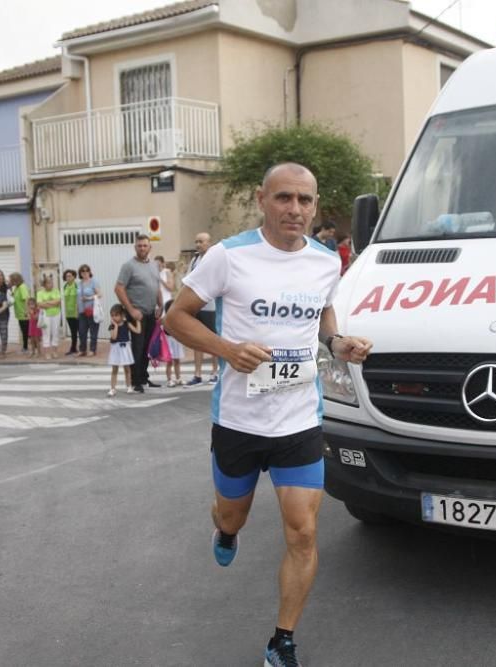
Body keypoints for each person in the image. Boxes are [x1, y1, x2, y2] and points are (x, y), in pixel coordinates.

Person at [166, 163, 373, 667]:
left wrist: (336, 341)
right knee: (233, 512)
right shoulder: (229, 256)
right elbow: (176, 317)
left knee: (302, 531)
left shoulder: (327, 262)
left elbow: (323, 313)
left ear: (316, 205)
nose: (294, 210)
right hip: (238, 422)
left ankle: (282, 640)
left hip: (299, 421)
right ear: (262, 199)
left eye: (305, 200)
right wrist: (227, 349)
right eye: (284, 198)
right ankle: (227, 528)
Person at [114, 235, 162, 393]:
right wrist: (131, 310)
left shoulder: (154, 265)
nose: (142, 248)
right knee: (137, 347)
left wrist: (160, 305)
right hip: (137, 314)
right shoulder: (128, 266)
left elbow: (156, 286)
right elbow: (119, 289)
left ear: (150, 248)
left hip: (151, 313)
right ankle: (135, 381)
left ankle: (143, 377)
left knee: (148, 347)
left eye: (145, 246)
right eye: (139, 246)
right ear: (135, 247)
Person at [183, 233, 219, 387]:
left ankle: (215, 372)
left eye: (201, 241)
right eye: (196, 241)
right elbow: (188, 281)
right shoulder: (194, 260)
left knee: (214, 341)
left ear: (209, 243)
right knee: (197, 341)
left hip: (212, 307)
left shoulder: (215, 260)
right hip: (197, 307)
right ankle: (197, 375)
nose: (198, 244)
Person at [106, 304, 141, 397]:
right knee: (114, 369)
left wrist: (138, 320)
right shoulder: (112, 326)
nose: (114, 317)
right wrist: (116, 326)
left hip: (125, 348)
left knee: (127, 369)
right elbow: (114, 337)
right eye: (112, 315)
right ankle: (113, 388)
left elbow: (138, 331)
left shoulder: (127, 324)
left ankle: (129, 386)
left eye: (116, 315)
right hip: (116, 348)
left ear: (122, 315)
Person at [77, 264, 101, 357]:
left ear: (89, 272)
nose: (85, 272)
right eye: (83, 271)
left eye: (87, 270)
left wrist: (89, 298)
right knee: (82, 332)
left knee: (93, 331)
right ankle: (82, 350)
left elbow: (100, 294)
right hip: (82, 311)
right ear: (80, 273)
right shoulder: (79, 283)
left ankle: (92, 349)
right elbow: (78, 298)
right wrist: (77, 310)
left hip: (92, 310)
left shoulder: (93, 282)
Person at [36, 275, 62, 360]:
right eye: (49, 283)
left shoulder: (56, 291)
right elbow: (39, 304)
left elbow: (58, 302)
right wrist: (52, 303)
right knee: (46, 333)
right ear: (44, 284)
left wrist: (46, 303)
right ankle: (47, 353)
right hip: (45, 316)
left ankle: (54, 351)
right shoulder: (40, 293)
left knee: (55, 332)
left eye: (51, 282)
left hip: (56, 314)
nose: (51, 284)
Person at [162, 299, 184, 387]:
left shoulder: (178, 318)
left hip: (176, 340)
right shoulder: (165, 319)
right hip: (169, 341)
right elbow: (165, 330)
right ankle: (169, 379)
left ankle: (178, 378)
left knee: (177, 360)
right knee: (169, 361)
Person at [62, 269, 80, 356]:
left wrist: (77, 312)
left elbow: (78, 299)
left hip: (76, 312)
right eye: (66, 276)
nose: (68, 278)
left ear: (74, 277)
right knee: (73, 331)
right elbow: (65, 300)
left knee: (79, 331)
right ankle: (73, 348)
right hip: (68, 313)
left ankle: (78, 348)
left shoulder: (76, 285)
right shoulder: (65, 286)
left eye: (70, 276)